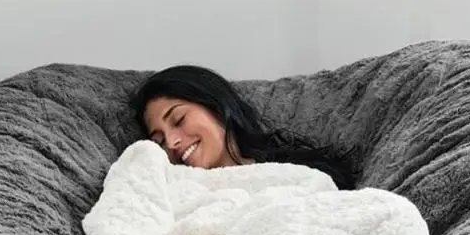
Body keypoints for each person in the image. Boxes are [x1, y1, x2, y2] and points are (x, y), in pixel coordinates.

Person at [131, 64, 359, 190]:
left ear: (216, 106)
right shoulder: (173, 193)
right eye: (159, 141)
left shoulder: (301, 173)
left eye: (179, 119)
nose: (171, 142)